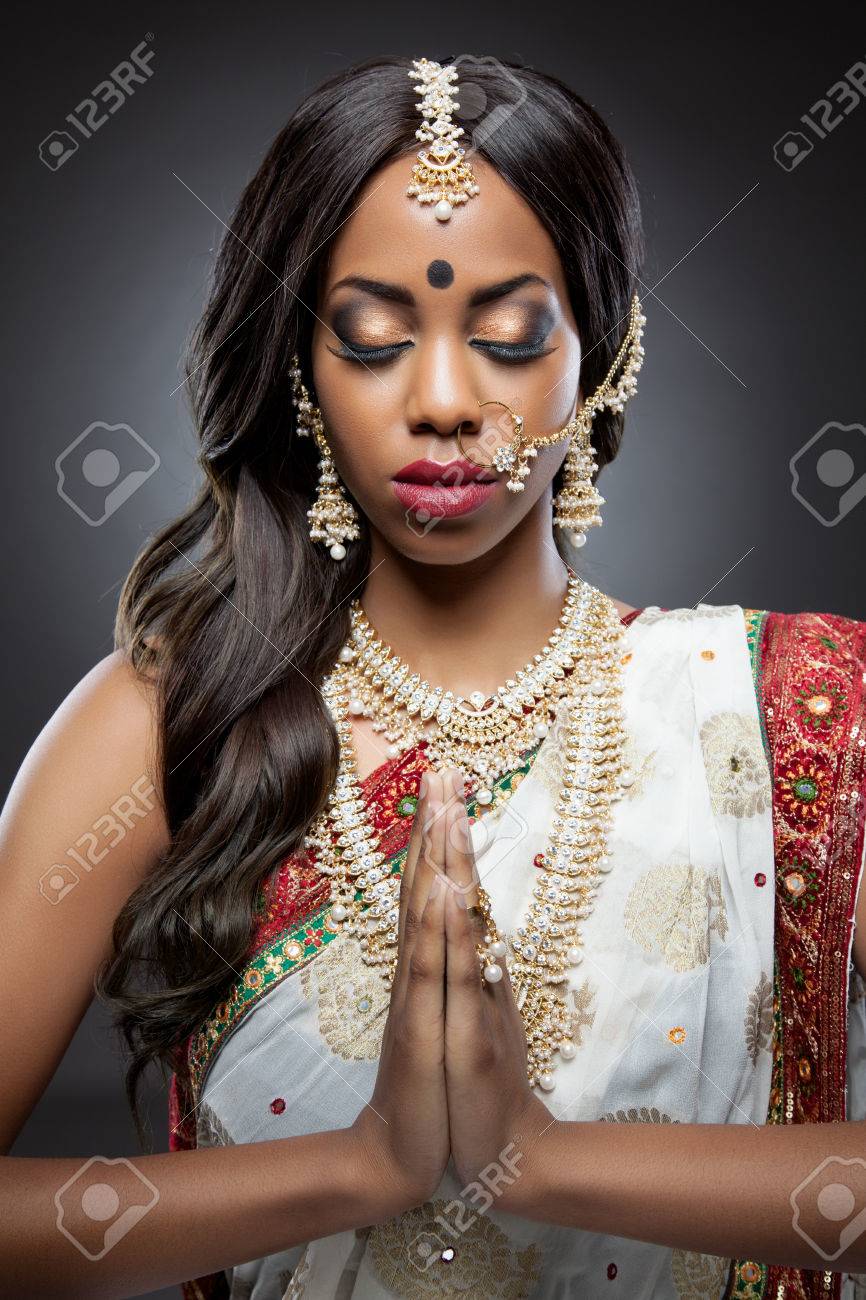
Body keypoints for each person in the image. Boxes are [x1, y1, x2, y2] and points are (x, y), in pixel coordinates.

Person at [1, 53, 864, 1300]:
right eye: (371, 339)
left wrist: (543, 1161)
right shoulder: (170, 723)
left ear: (600, 353)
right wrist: (364, 1166)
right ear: (299, 370)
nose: (446, 400)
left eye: (510, 336)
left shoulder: (790, 708)